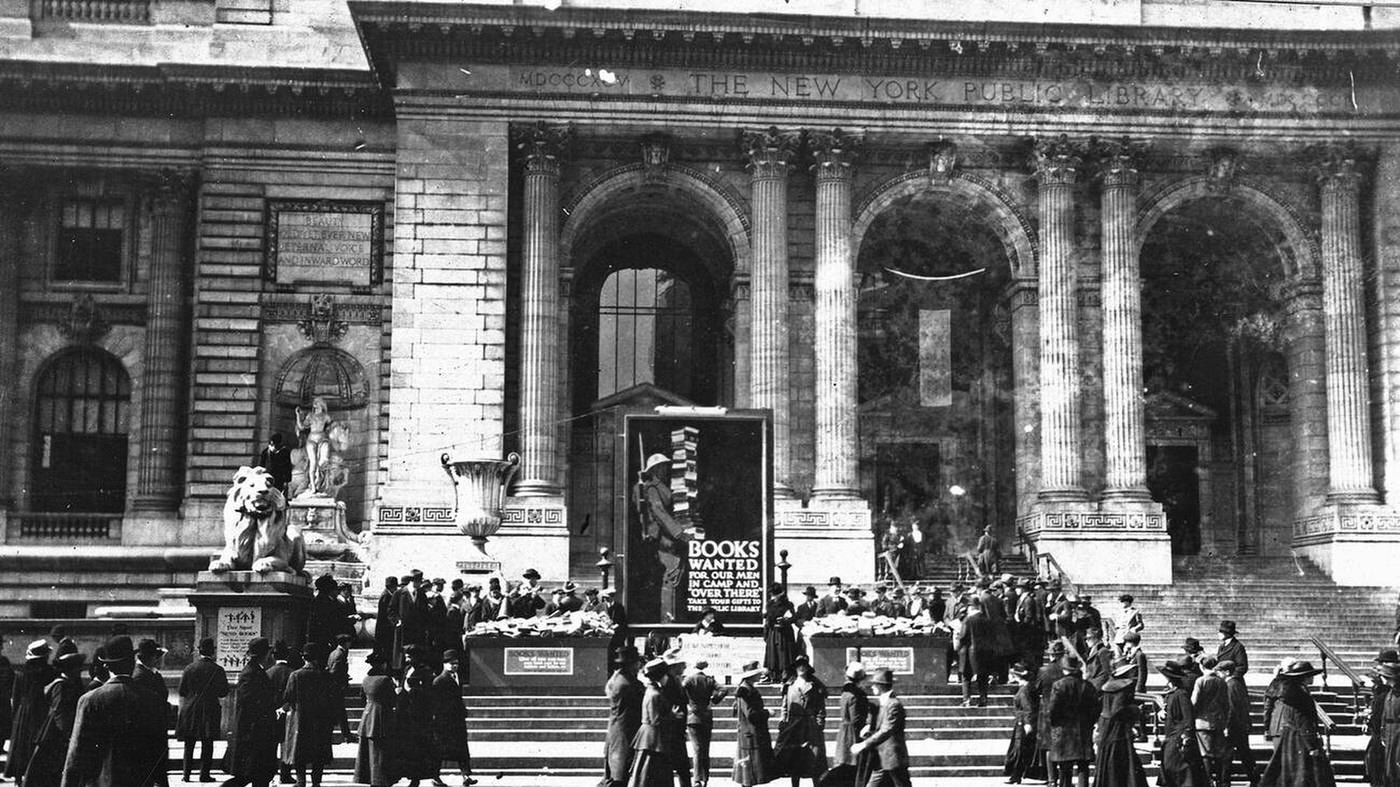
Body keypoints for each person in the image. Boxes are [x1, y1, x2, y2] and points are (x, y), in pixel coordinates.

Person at [60, 636, 167, 787]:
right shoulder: (152, 699)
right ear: (132, 664)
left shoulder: (89, 700)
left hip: (101, 780)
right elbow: (160, 749)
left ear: (106, 666)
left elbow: (77, 752)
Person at [1259, 660, 1335, 787]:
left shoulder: (1294, 691)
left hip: (1291, 737)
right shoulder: (1299, 695)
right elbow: (1303, 720)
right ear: (1304, 677)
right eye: (1310, 675)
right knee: (1303, 775)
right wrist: (1312, 746)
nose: (1312, 678)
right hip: (1299, 740)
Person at [637, 452, 690, 621]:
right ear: (655, 469)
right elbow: (659, 513)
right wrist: (679, 533)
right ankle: (667, 620)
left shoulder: (659, 485)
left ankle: (670, 617)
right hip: (662, 539)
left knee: (674, 576)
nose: (666, 469)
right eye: (663, 466)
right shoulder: (652, 487)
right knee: (670, 577)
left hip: (667, 537)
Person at [23, 646, 84, 787]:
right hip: (54, 736)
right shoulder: (61, 686)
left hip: (56, 734)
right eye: (77, 669)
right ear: (69, 670)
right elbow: (60, 713)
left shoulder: (67, 684)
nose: (79, 672)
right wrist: (68, 735)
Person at [279, 642, 335, 787]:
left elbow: (288, 696)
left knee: (300, 751)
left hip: (300, 719)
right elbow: (332, 699)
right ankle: (316, 782)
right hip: (320, 720)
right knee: (319, 752)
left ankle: (301, 780)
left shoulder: (296, 675)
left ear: (304, 658)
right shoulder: (325, 676)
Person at [177, 638, 230, 783]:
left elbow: (182, 691)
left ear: (199, 651)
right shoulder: (217, 669)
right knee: (208, 742)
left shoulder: (189, 668)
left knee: (189, 743)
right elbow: (223, 692)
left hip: (191, 709)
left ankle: (186, 774)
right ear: (213, 652)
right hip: (210, 708)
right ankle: (204, 774)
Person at [774, 655, 828, 787]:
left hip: (810, 726)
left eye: (804, 665)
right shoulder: (789, 685)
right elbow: (785, 706)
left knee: (814, 759)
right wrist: (784, 722)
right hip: (794, 727)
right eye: (799, 665)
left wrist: (819, 724)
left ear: (808, 667)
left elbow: (820, 708)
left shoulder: (815, 685)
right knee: (795, 759)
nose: (801, 668)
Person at [628, 658, 682, 787]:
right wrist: (673, 716)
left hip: (650, 739)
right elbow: (655, 720)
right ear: (661, 676)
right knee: (652, 775)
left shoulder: (652, 691)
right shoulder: (654, 694)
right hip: (654, 740)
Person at [850, 668, 909, 787]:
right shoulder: (884, 702)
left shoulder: (893, 704)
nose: (872, 687)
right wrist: (869, 727)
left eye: (874, 684)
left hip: (892, 757)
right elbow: (882, 724)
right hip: (881, 756)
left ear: (880, 686)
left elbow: (886, 730)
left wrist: (863, 744)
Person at [1046, 656, 1098, 787]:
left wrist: (1054, 724)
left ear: (1064, 670)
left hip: (1064, 730)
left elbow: (1053, 709)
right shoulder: (1088, 686)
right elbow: (1096, 708)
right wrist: (1090, 723)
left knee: (1065, 767)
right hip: (1083, 730)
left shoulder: (1059, 685)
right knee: (1083, 767)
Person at [1094, 661, 1147, 787]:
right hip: (1119, 730)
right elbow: (1118, 710)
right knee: (1123, 760)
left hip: (1107, 728)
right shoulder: (1123, 689)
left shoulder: (1108, 688)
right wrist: (1135, 710)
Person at [8, 640, 55, 785]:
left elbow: (15, 697)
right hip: (41, 711)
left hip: (23, 712)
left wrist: (16, 716)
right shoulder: (50, 672)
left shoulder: (21, 673)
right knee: (37, 744)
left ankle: (18, 777)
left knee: (21, 744)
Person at [1160, 657, 1211, 787]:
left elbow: (1188, 717)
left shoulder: (1181, 694)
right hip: (1171, 735)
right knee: (1170, 768)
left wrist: (1186, 736)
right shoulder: (1172, 694)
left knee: (1179, 769)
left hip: (1178, 738)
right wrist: (1162, 713)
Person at [430, 650, 474, 786]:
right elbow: (436, 702)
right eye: (451, 663)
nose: (455, 666)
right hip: (445, 721)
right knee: (440, 750)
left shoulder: (456, 677)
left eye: (456, 663)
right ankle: (435, 777)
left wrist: (462, 710)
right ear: (444, 664)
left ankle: (466, 776)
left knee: (462, 748)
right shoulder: (439, 681)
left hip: (457, 720)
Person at [389, 667, 438, 787]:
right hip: (407, 723)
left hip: (416, 724)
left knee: (415, 752)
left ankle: (415, 779)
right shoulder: (408, 669)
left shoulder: (422, 675)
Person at [603, 647, 644, 787]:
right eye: (638, 662)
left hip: (620, 730)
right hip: (625, 732)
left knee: (618, 773)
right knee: (619, 776)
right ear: (632, 664)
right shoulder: (627, 684)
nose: (639, 665)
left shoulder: (621, 679)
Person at [682, 660, 726, 787]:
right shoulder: (709, 680)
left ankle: (697, 779)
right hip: (706, 716)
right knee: (705, 749)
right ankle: (705, 778)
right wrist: (714, 700)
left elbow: (680, 690)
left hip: (693, 716)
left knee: (697, 749)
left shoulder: (689, 679)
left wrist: (688, 702)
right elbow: (723, 690)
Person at [732, 661, 777, 787]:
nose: (760, 676)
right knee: (748, 772)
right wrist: (767, 713)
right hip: (750, 734)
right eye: (757, 673)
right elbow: (751, 714)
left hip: (751, 733)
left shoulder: (747, 688)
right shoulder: (744, 691)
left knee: (749, 771)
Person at [353, 653, 395, 787]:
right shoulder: (386, 680)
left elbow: (361, 699)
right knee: (380, 752)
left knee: (367, 752)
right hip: (382, 716)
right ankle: (380, 780)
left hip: (367, 716)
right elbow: (392, 700)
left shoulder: (366, 679)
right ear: (382, 665)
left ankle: (369, 778)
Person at [1193, 657, 1232, 786]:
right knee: (1219, 753)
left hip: (1202, 722)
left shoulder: (1200, 681)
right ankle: (1220, 780)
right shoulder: (1222, 682)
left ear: (1202, 667)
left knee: (1205, 754)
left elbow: (1194, 701)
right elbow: (1226, 704)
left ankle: (1209, 781)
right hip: (1218, 722)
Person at [831, 663, 872, 787]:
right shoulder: (857, 695)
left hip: (844, 732)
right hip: (854, 733)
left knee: (845, 763)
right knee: (855, 765)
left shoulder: (845, 693)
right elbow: (856, 719)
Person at [1004, 662, 1043, 785]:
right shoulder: (1028, 687)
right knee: (1021, 749)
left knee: (1019, 749)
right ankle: (1016, 775)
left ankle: (1016, 775)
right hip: (1024, 721)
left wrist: (1027, 723)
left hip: (1023, 723)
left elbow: (1028, 708)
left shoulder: (1024, 690)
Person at [1223, 660, 1259, 787]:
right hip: (1241, 725)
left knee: (1227, 755)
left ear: (1227, 672)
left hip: (1234, 726)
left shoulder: (1230, 685)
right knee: (1245, 754)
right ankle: (1255, 779)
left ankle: (1225, 782)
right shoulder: (1237, 684)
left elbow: (1231, 708)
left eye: (1220, 672)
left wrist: (1227, 726)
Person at [957, 596, 995, 708]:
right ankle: (983, 699)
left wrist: (958, 643)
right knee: (983, 677)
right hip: (984, 652)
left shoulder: (968, 620)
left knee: (966, 676)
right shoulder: (987, 620)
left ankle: (967, 700)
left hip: (969, 652)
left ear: (971, 607)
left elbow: (963, 637)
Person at [764, 584, 798, 681]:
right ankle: (774, 675)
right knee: (773, 653)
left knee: (784, 653)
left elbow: (794, 617)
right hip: (773, 632)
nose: (773, 597)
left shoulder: (788, 604)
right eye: (772, 595)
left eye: (775, 595)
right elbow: (767, 618)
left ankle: (785, 674)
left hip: (785, 632)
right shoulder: (769, 604)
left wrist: (786, 620)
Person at [326, 634, 354, 744]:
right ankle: (346, 735)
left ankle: (346, 734)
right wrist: (342, 681)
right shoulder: (340, 654)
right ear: (345, 643)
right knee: (340, 712)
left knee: (339, 712)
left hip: (334, 687)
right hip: (336, 688)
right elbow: (334, 671)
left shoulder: (334, 652)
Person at [374, 577, 400, 662]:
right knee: (386, 648)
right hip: (385, 628)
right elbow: (386, 613)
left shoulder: (388, 595)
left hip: (385, 626)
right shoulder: (386, 596)